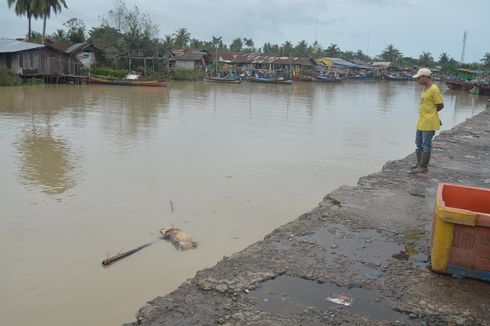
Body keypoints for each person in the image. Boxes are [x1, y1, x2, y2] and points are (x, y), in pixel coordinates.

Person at [411, 68, 444, 173]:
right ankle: (419, 163)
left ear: (425, 77)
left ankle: (423, 166)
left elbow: (440, 105)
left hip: (429, 121)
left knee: (426, 144)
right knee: (418, 142)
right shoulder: (424, 88)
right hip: (422, 121)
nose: (418, 80)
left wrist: (433, 115)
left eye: (419, 78)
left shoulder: (434, 89)